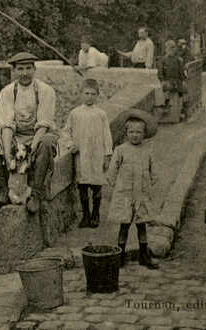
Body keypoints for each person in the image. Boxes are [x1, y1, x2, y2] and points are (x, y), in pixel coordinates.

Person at [0, 51, 57, 213]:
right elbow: (7, 125)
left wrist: (32, 149)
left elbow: (43, 123)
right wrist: (7, 152)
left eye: (28, 68)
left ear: (34, 69)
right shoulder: (7, 92)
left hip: (37, 135)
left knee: (47, 143)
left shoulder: (45, 90)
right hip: (14, 137)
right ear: (14, 71)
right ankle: (2, 190)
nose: (25, 73)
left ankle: (35, 194)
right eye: (20, 69)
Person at [105, 113, 158, 269]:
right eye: (131, 132)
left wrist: (151, 185)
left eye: (138, 132)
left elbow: (153, 170)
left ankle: (144, 255)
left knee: (142, 225)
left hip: (141, 193)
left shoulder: (147, 150)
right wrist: (114, 185)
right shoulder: (121, 150)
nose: (135, 135)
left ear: (144, 134)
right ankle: (120, 256)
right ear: (126, 133)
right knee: (124, 224)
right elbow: (112, 169)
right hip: (126, 193)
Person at [61, 78, 113, 228]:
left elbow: (107, 136)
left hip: (96, 154)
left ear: (97, 95)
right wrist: (70, 145)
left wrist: (107, 155)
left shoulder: (101, 114)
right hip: (82, 155)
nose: (89, 96)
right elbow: (65, 132)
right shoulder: (75, 113)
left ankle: (96, 214)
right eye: (86, 93)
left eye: (92, 94)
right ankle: (86, 215)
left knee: (96, 186)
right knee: (82, 186)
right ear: (81, 94)